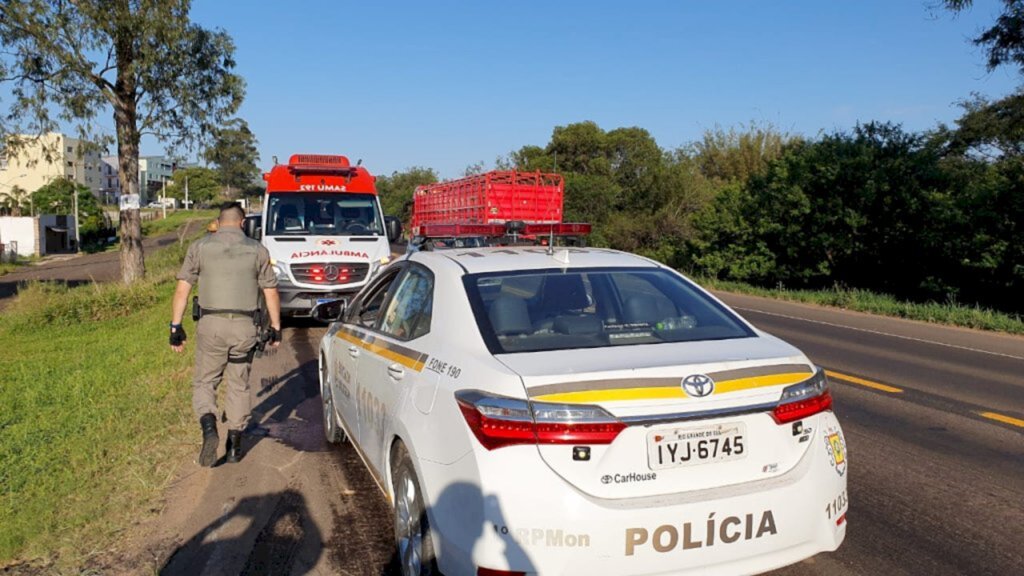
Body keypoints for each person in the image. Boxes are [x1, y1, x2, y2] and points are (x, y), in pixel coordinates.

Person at [169, 202, 282, 467]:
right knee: (238, 383)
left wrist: (175, 327)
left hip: (211, 327)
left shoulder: (199, 247)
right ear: (243, 223)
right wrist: (276, 328)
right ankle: (234, 446)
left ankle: (209, 426)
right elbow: (271, 292)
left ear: (218, 223)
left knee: (205, 382)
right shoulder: (258, 250)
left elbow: (182, 289)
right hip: (245, 329)